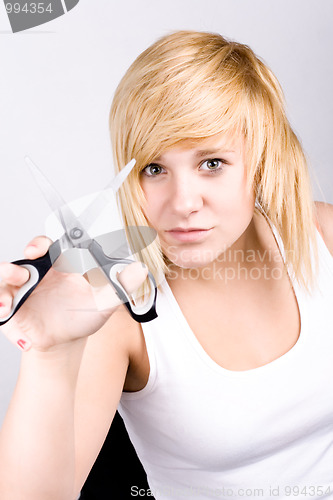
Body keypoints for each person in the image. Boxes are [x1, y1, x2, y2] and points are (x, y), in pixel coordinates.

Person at [0, 30, 333, 500]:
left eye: (212, 163)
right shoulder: (115, 313)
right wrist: (49, 356)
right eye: (154, 169)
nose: (182, 203)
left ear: (259, 162)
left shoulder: (325, 238)